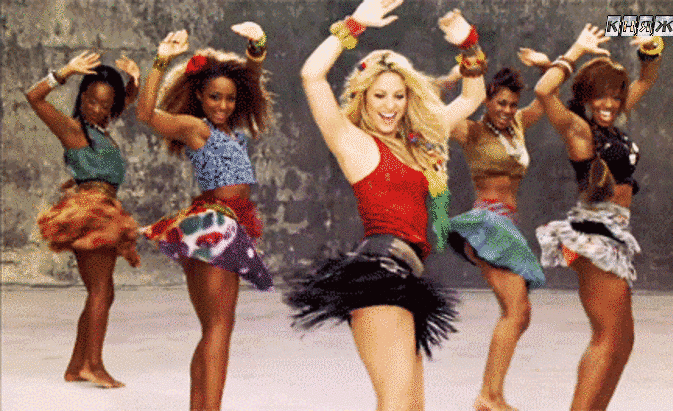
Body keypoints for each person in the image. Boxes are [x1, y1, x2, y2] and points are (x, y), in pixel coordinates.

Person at [285, 1, 486, 410]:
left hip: (408, 277)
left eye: (398, 96)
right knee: (396, 404)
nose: (389, 106)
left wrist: (468, 44)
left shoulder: (419, 144)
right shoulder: (353, 142)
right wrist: (355, 24)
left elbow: (472, 97)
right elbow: (311, 75)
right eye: (379, 96)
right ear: (364, 98)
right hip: (378, 275)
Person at [136, 23, 273, 410]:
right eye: (215, 97)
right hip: (216, 225)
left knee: (214, 328)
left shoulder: (233, 132)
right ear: (199, 95)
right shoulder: (197, 128)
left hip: (222, 224)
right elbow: (145, 114)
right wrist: (162, 60)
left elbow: (250, 82)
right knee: (220, 327)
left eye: (229, 99)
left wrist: (256, 47)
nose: (223, 106)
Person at [533, 24, 663, 410]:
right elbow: (543, 92)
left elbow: (646, 79)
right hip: (594, 236)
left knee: (622, 342)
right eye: (600, 96)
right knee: (607, 338)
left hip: (614, 233)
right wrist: (575, 50)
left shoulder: (613, 119)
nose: (609, 104)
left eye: (615, 96)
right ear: (587, 97)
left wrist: (651, 49)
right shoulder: (579, 130)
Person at [440, 49, 551, 410]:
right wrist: (455, 78)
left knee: (520, 313)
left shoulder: (518, 125)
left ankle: (492, 395)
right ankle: (488, 396)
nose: (506, 110)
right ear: (486, 100)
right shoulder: (470, 130)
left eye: (512, 104)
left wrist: (547, 66)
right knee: (516, 311)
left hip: (507, 226)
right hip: (487, 225)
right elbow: (435, 113)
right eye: (500, 103)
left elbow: (546, 99)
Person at [27, 52, 141, 388]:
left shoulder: (99, 129)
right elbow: (34, 97)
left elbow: (124, 100)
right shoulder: (73, 129)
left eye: (104, 105)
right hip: (91, 213)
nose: (97, 109)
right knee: (101, 291)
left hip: (104, 209)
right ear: (82, 98)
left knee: (101, 292)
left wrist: (134, 79)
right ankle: (94, 365)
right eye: (91, 101)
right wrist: (64, 72)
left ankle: (77, 366)